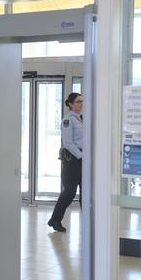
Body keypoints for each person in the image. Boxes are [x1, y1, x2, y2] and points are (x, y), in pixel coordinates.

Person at [48, 92, 83, 233]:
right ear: (70, 104)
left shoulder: (81, 119)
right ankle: (55, 219)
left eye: (82, 101)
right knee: (69, 192)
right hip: (73, 160)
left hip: (82, 158)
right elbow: (68, 143)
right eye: (78, 101)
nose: (81, 104)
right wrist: (81, 156)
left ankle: (86, 221)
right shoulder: (68, 120)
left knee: (85, 192)